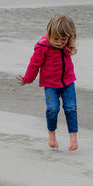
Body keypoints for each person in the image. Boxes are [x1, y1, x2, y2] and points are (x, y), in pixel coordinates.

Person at [17, 14, 79, 151]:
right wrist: (28, 79)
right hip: (51, 85)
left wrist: (66, 41)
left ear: (69, 37)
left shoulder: (67, 44)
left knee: (71, 108)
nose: (59, 42)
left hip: (68, 82)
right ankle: (52, 134)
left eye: (63, 39)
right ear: (49, 33)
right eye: (55, 38)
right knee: (53, 109)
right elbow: (34, 64)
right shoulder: (42, 46)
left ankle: (73, 137)